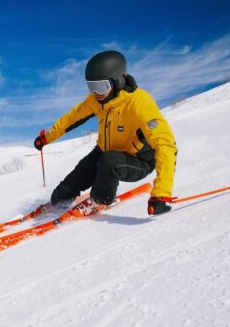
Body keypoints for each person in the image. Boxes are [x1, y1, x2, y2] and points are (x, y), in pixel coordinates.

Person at [34, 50, 177, 216]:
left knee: (109, 162)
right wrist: (46, 138)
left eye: (101, 86)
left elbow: (165, 144)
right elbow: (72, 118)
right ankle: (59, 201)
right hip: (104, 152)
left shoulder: (139, 103)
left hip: (138, 160)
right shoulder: (96, 100)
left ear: (117, 81)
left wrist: (162, 193)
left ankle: (100, 200)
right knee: (67, 187)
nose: (96, 93)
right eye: (91, 87)